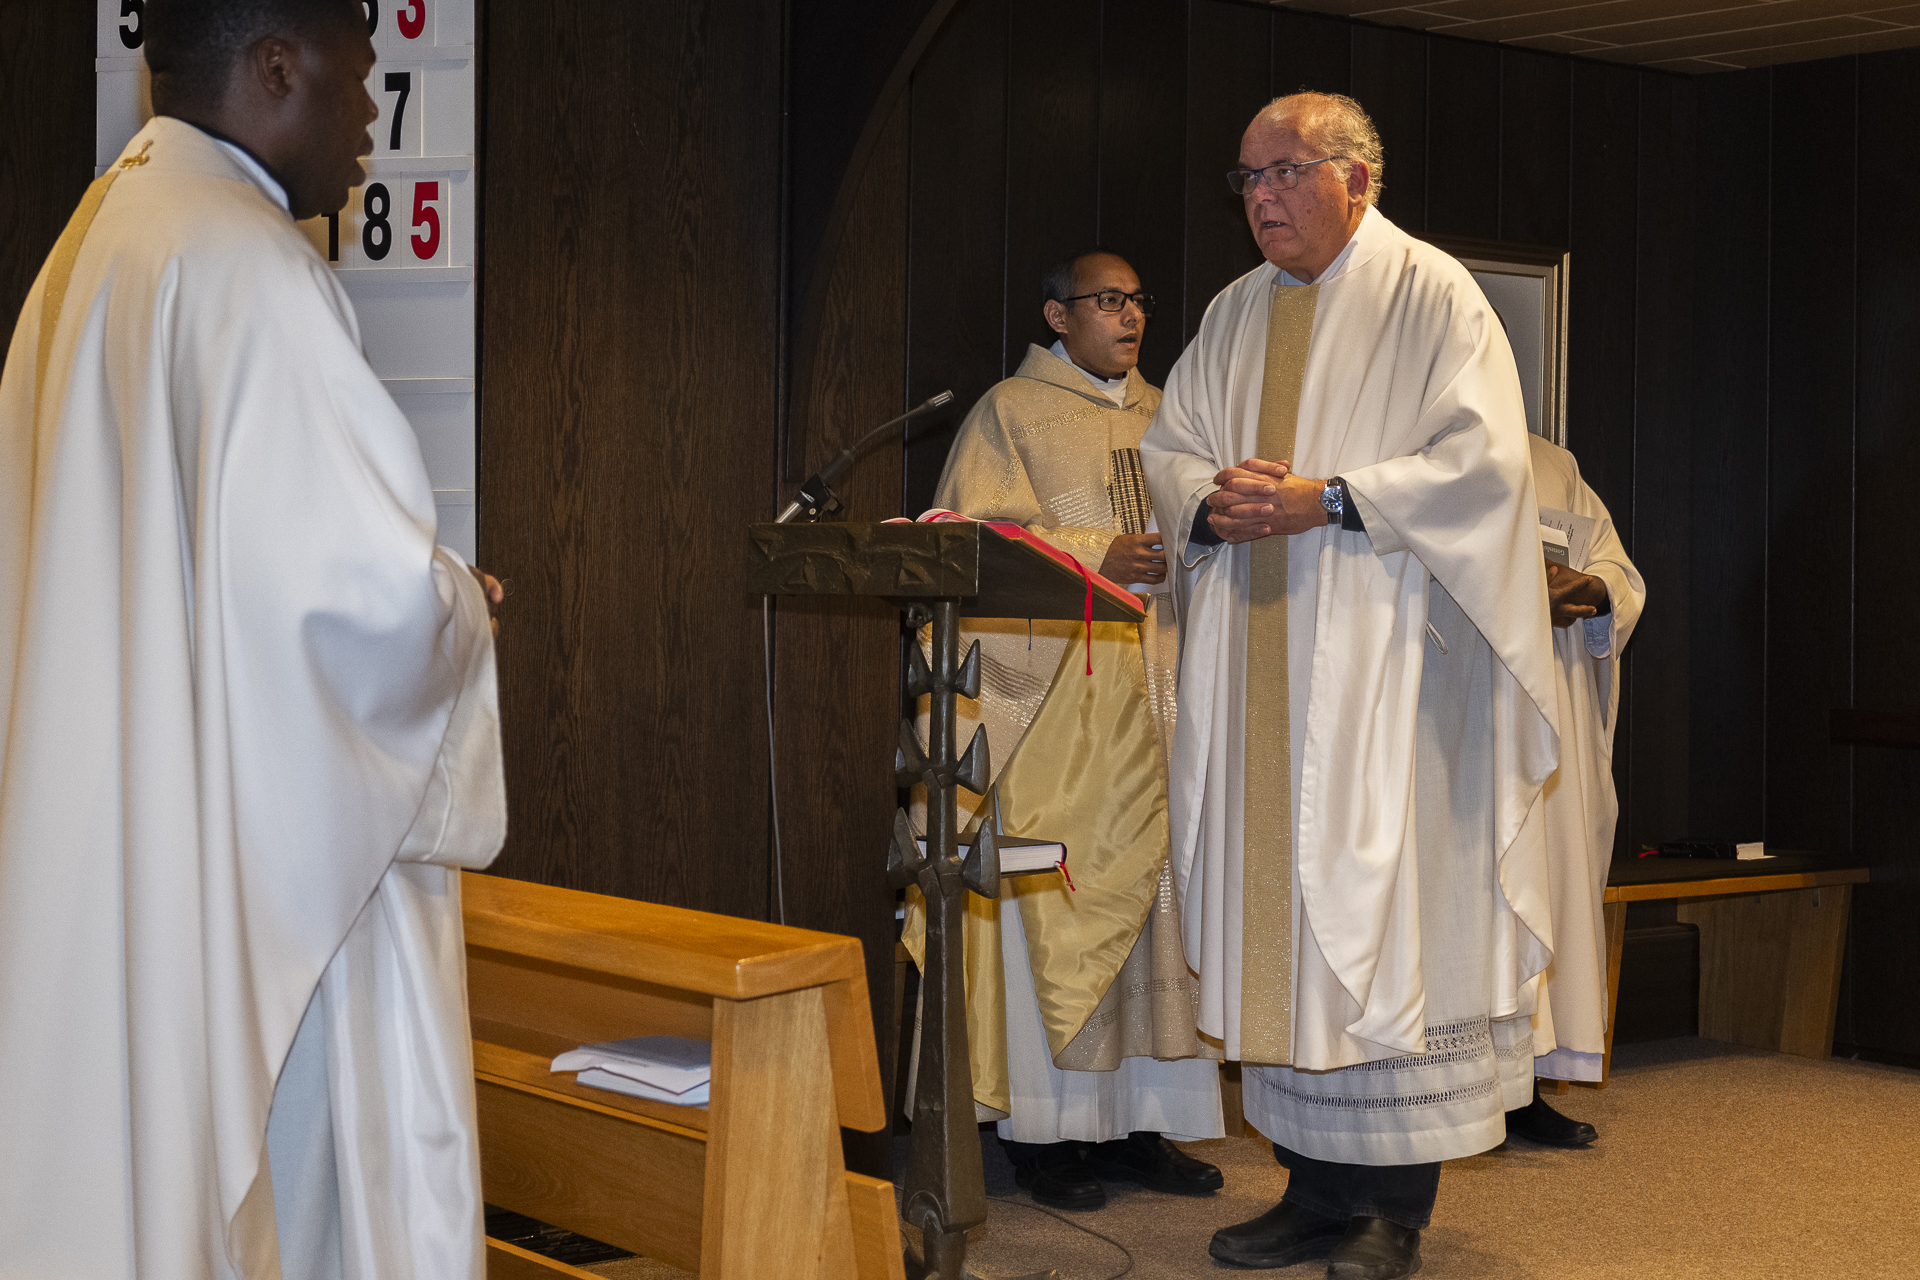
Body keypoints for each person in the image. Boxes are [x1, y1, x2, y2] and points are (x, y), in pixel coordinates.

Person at [0, 2, 506, 1277]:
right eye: (362, 79)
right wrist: (460, 601)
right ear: (278, 65)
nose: (371, 126)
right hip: (248, 873)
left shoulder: (91, 244)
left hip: (105, 841)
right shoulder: (251, 262)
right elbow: (362, 610)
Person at [1140, 93, 1560, 1279]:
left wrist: (1328, 497)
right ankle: (1315, 1191)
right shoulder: (1234, 311)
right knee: (1284, 930)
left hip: (1389, 676)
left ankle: (1392, 1208)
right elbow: (1168, 450)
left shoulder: (1433, 293)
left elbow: (1483, 464)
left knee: (1384, 922)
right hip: (1258, 665)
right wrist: (1210, 499)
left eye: (1285, 171)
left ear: (1358, 178)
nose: (1262, 195)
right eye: (1248, 176)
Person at [904, 249, 1225, 1212]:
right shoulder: (1011, 412)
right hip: (1047, 708)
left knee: (1159, 911)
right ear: (1057, 314)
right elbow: (968, 541)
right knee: (1057, 898)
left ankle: (1142, 1125)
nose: (1129, 318)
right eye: (1107, 301)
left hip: (1159, 694)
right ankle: (1048, 1138)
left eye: (1138, 302)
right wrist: (1098, 553)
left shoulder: (1174, 415)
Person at [1504, 432, 1646, 1145]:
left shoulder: (1551, 462)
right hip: (1464, 711)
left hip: (1551, 703)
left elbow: (1616, 569)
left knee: (1550, 889)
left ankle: (1523, 1087)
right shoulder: (1410, 446)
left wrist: (1591, 591)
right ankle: (1464, 1088)